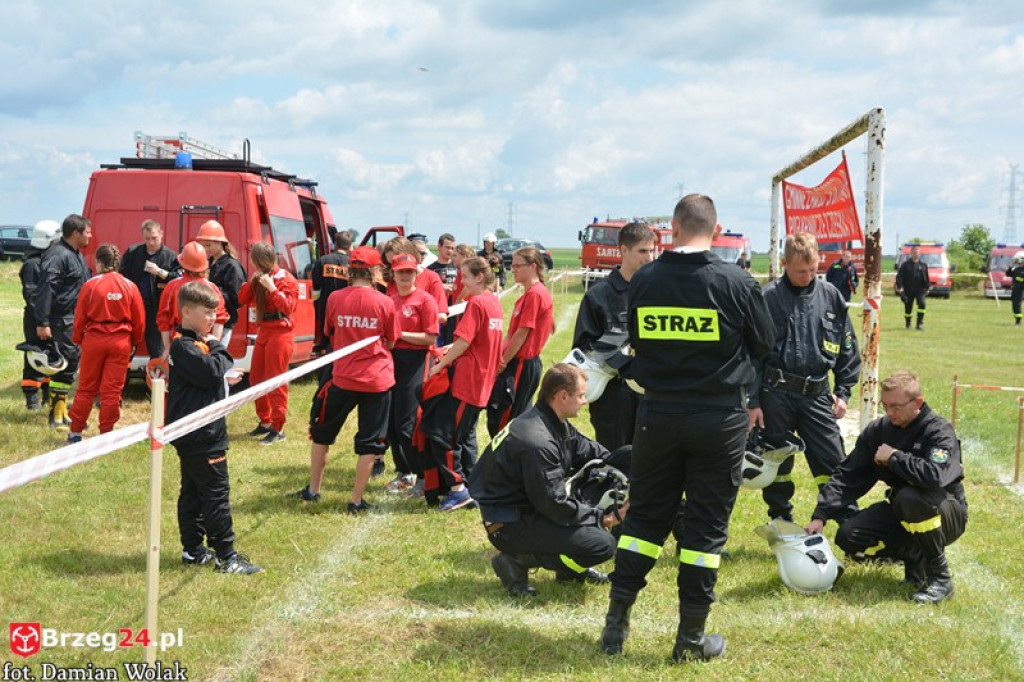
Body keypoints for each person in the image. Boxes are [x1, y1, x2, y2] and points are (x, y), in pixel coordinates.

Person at [601, 194, 774, 662]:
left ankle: (615, 627)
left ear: (672, 228)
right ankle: (690, 639)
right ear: (715, 232)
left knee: (642, 521)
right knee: (705, 530)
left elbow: (636, 342)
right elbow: (764, 342)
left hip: (657, 416)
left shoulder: (645, 278)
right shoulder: (736, 281)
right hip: (718, 419)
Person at [806, 371, 967, 604]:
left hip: (946, 514)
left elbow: (935, 476)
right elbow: (849, 475)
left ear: (917, 403)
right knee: (849, 535)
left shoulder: (938, 431)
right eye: (885, 405)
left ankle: (940, 580)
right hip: (903, 510)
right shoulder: (879, 430)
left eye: (896, 406)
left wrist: (895, 458)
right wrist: (820, 515)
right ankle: (913, 555)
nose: (889, 412)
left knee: (911, 498)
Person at [470, 364, 623, 596]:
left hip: (528, 507)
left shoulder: (551, 420)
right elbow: (554, 504)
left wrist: (627, 463)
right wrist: (603, 517)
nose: (585, 401)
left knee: (596, 489)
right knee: (601, 544)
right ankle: (516, 560)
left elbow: (589, 451)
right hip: (509, 524)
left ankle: (570, 569)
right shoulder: (537, 440)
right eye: (581, 395)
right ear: (562, 396)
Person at [748, 232, 861, 524]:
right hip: (776, 395)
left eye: (814, 270)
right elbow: (753, 354)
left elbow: (847, 345)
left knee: (833, 462)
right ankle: (781, 518)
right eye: (801, 271)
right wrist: (753, 400)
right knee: (778, 462)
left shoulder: (831, 296)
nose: (808, 276)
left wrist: (844, 391)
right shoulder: (768, 297)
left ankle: (850, 524)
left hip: (817, 394)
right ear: (785, 263)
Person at [292, 246, 400, 513]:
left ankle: (314, 489)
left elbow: (328, 331)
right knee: (370, 441)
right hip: (377, 379)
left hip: (342, 377)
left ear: (350, 270)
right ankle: (355, 501)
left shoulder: (335, 298)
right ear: (376, 271)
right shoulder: (385, 302)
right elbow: (392, 339)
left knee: (322, 433)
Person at [169, 281, 262, 574]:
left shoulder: (195, 343)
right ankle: (226, 556)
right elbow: (212, 368)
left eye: (215, 313)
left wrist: (222, 374)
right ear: (186, 312)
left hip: (200, 430)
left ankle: (194, 551)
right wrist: (217, 345)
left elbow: (209, 376)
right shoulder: (183, 345)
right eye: (207, 312)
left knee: (195, 491)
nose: (213, 319)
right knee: (216, 493)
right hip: (201, 434)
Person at [422, 256, 504, 512]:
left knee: (444, 435)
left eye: (465, 277)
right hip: (482, 382)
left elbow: (465, 341)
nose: (461, 281)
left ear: (479, 277)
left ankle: (457, 489)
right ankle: (470, 485)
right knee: (465, 435)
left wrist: (439, 364)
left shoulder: (477, 302)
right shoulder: (494, 303)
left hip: (467, 382)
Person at [572, 222, 656, 449]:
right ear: (623, 250)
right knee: (614, 463)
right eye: (642, 251)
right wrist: (625, 366)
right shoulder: (598, 295)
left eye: (652, 250)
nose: (649, 257)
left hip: (651, 395)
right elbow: (584, 347)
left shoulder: (658, 292)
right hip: (612, 396)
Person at [66, 245, 145, 442]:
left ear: (99, 263)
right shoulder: (130, 286)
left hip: (94, 339)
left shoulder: (90, 285)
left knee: (86, 388)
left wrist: (77, 339)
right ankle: (106, 434)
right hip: (121, 341)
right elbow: (139, 320)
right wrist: (134, 341)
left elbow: (80, 317)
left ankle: (76, 432)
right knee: (112, 390)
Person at [384, 253, 439, 494]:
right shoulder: (389, 299)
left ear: (416, 273)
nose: (405, 276)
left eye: (409, 271)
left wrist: (400, 335)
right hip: (391, 361)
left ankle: (423, 477)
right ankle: (403, 472)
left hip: (416, 361)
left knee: (407, 423)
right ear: (393, 274)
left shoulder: (425, 300)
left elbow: (430, 336)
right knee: (391, 423)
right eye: (400, 272)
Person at [487, 246, 554, 437]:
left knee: (506, 419)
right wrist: (498, 356)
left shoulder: (535, 294)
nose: (512, 270)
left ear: (532, 267)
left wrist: (503, 362)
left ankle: (506, 461)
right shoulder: (529, 294)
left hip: (521, 364)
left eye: (518, 266)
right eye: (512, 266)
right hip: (517, 362)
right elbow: (511, 333)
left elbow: (521, 334)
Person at [33, 214, 93, 430]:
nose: (90, 236)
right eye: (87, 232)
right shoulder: (58, 255)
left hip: (73, 319)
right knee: (64, 365)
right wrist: (42, 322)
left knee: (70, 364)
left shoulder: (75, 254)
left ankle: (61, 412)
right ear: (75, 233)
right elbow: (46, 288)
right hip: (60, 320)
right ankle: (56, 415)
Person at [238, 242, 299, 444]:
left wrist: (272, 288)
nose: (255, 265)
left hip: (280, 332)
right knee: (256, 379)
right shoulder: (259, 277)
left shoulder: (285, 278)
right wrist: (252, 281)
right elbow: (242, 298)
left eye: (256, 262)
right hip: (264, 330)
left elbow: (289, 307)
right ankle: (264, 421)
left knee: (276, 381)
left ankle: (278, 427)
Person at [119, 220, 181, 359]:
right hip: (134, 309)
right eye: (147, 238)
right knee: (126, 349)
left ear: (161, 234)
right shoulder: (133, 252)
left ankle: (158, 379)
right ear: (142, 236)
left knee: (157, 351)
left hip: (157, 310)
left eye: (154, 238)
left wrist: (159, 272)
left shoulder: (171, 256)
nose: (151, 242)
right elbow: (121, 277)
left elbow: (178, 280)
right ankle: (123, 378)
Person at [157, 242, 229, 359]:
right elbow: (219, 320)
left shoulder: (172, 286)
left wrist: (167, 348)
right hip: (205, 344)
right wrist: (214, 346)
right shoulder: (212, 288)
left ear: (182, 263)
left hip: (179, 343)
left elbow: (163, 320)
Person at [19, 220, 61, 411]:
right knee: (35, 355)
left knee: (49, 356)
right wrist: (42, 320)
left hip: (49, 317)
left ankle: (46, 396)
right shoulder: (32, 264)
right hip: (36, 319)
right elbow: (32, 295)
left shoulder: (46, 260)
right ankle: (32, 400)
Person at [197, 220, 246, 351]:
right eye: (204, 246)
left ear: (219, 243)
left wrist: (213, 291)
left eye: (208, 245)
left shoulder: (232, 266)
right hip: (205, 321)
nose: (206, 249)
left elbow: (237, 300)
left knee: (216, 358)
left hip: (222, 323)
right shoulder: (210, 262)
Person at [311, 230, 352, 352]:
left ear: (335, 244)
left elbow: (316, 285)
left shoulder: (323, 261)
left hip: (326, 306)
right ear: (350, 246)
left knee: (327, 340)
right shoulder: (352, 263)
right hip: (348, 307)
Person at [428, 233, 459, 344]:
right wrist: (441, 288)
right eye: (447, 247)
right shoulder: (431, 269)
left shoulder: (458, 267)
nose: (450, 251)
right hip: (438, 312)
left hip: (455, 310)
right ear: (439, 247)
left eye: (452, 248)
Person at [896, 245, 931, 331]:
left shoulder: (923, 265)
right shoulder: (905, 265)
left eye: (917, 252)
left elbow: (926, 277)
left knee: (922, 304)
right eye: (914, 252)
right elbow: (900, 277)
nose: (916, 253)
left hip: (920, 290)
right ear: (911, 253)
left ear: (919, 253)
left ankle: (919, 324)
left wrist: (928, 287)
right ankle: (908, 323)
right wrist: (900, 288)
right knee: (908, 307)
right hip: (908, 289)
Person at [1005, 253, 1024, 325]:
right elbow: (1008, 273)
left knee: (1017, 304)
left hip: (1021, 290)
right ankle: (1017, 319)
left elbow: (1020, 279)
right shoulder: (1017, 269)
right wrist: (1012, 265)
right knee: (1014, 304)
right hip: (1015, 289)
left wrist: (1018, 279)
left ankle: (1018, 321)